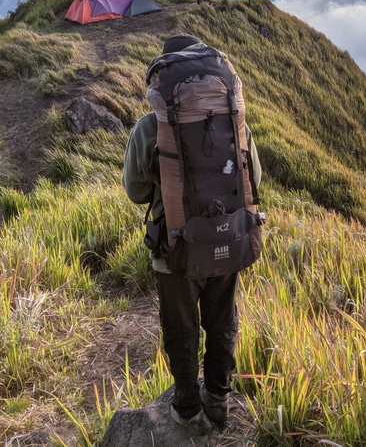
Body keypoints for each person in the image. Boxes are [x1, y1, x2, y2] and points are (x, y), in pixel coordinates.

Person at [122, 34, 262, 436]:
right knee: (222, 322)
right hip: (229, 238)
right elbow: (255, 177)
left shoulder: (151, 128)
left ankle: (187, 410)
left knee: (181, 330)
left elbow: (135, 191)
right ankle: (218, 400)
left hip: (176, 248)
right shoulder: (236, 122)